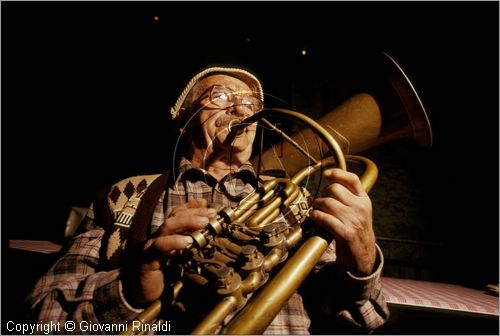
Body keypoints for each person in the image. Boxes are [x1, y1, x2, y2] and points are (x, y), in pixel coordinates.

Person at [25, 66, 389, 334]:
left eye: (251, 103)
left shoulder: (295, 201)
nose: (241, 109)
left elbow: (365, 318)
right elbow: (41, 319)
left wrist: (362, 262)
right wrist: (131, 290)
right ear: (184, 118)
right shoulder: (125, 196)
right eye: (221, 97)